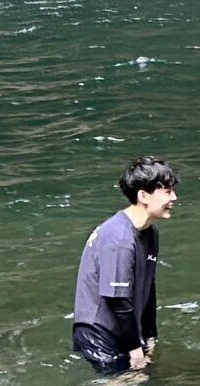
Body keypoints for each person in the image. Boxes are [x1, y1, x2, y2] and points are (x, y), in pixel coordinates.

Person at [72, 156, 177, 373]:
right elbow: (117, 300)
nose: (174, 197)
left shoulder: (149, 231)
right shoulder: (119, 238)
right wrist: (135, 350)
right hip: (99, 333)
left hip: (123, 328)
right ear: (143, 196)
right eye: (167, 192)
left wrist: (150, 336)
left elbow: (149, 285)